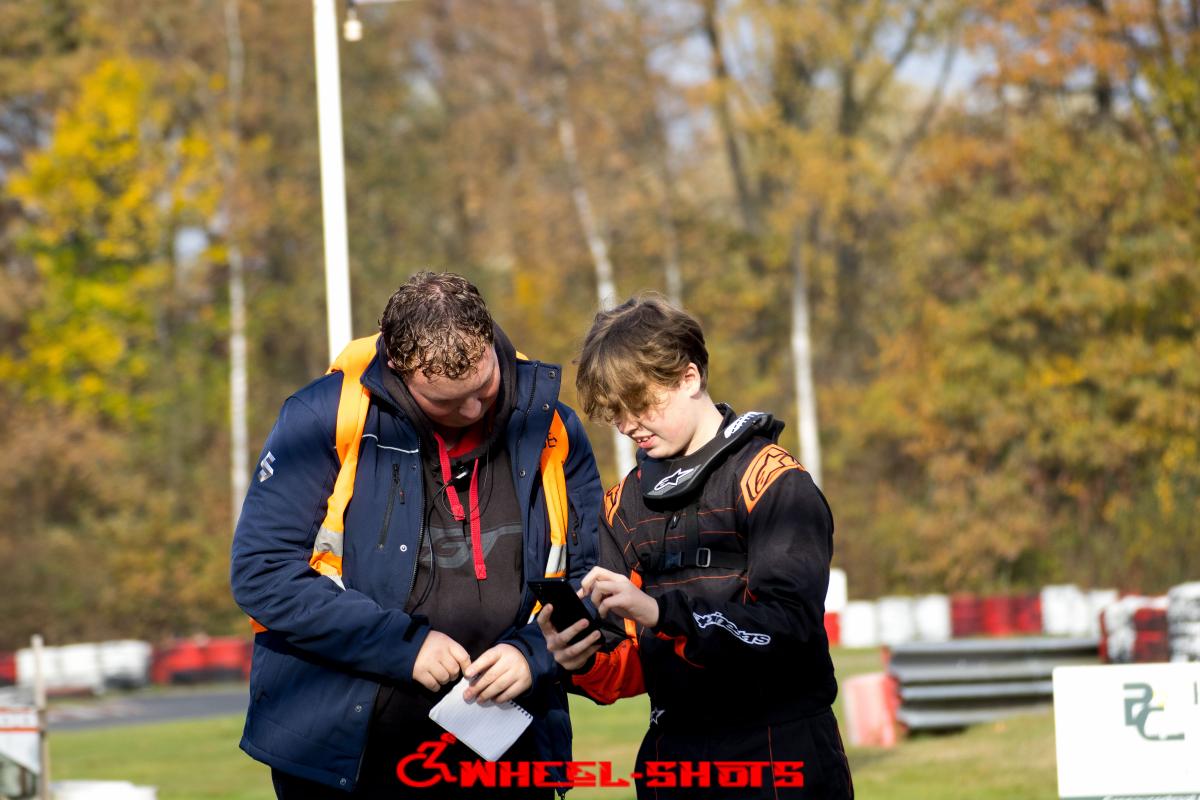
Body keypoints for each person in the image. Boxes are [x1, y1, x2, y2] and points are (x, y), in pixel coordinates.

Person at [231, 271, 602, 798]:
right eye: (446, 403)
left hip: (507, 752)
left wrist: (533, 654)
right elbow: (262, 573)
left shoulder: (552, 427)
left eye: (483, 389)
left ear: (490, 341)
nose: (471, 411)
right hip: (349, 759)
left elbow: (594, 577)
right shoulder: (321, 418)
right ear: (399, 371)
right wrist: (403, 646)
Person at [537, 295, 853, 799]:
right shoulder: (621, 506)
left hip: (780, 753)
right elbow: (624, 664)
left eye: (639, 404)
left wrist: (662, 613)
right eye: (616, 413)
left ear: (689, 378)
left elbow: (788, 628)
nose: (627, 425)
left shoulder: (772, 479)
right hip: (674, 759)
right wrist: (579, 658)